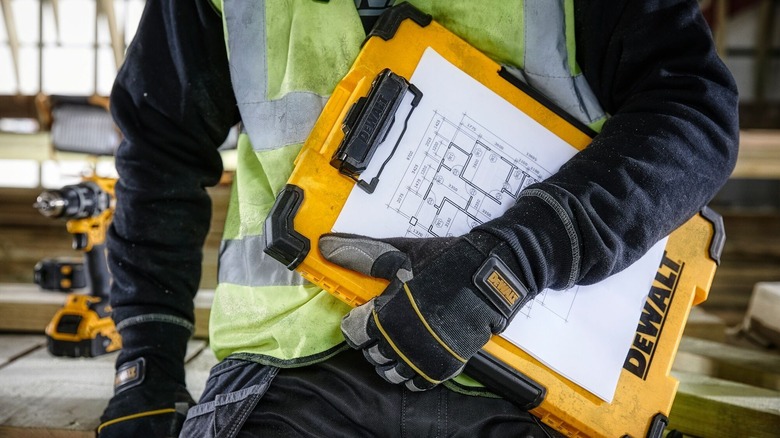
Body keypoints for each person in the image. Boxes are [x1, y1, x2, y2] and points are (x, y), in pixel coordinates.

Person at [96, 0, 739, 436]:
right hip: (288, 373)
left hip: (535, 378)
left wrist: (512, 262)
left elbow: (691, 110)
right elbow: (161, 144)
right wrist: (146, 366)